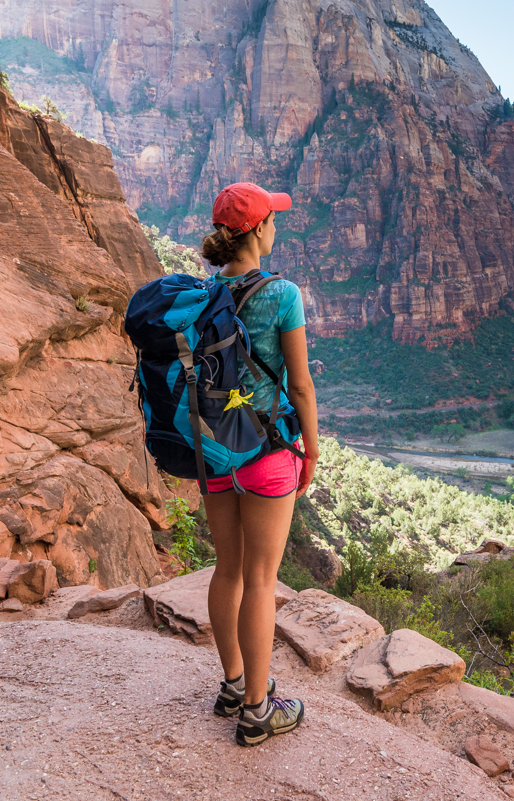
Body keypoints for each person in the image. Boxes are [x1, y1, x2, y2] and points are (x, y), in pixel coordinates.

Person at [198, 183, 319, 747]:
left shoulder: (203, 292)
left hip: (214, 451)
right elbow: (301, 384)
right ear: (257, 230)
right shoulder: (283, 293)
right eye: (272, 218)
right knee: (262, 581)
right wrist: (311, 449)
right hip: (267, 452)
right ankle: (257, 710)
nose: (277, 226)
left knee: (227, 570)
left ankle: (232, 684)